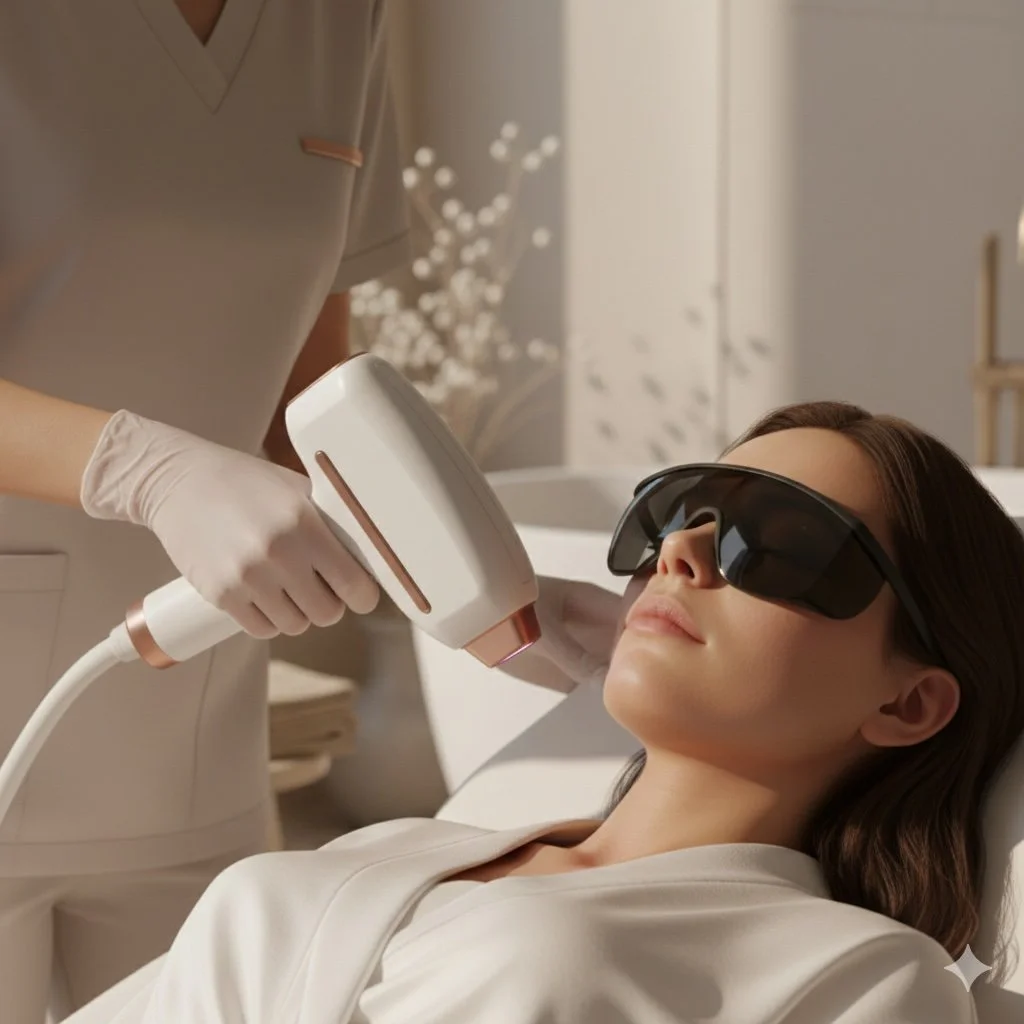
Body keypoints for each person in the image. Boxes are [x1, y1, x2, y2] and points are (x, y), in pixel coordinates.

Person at [61, 398, 1022, 1023]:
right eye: (678, 512)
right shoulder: (390, 849)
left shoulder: (863, 978)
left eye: (780, 545)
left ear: (908, 702)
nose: (679, 556)